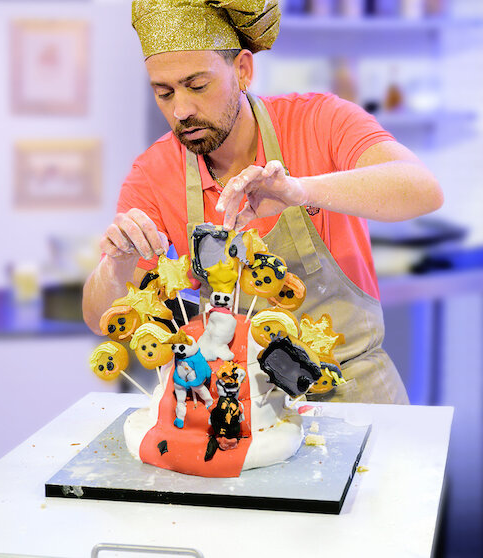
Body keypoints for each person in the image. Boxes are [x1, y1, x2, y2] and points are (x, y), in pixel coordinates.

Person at [82, 0, 443, 404]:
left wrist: (301, 191)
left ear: (243, 70)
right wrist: (116, 264)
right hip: (239, 406)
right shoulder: (153, 174)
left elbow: (422, 189)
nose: (181, 110)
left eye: (197, 86)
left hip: (352, 387)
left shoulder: (319, 120)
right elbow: (100, 318)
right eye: (164, 93)